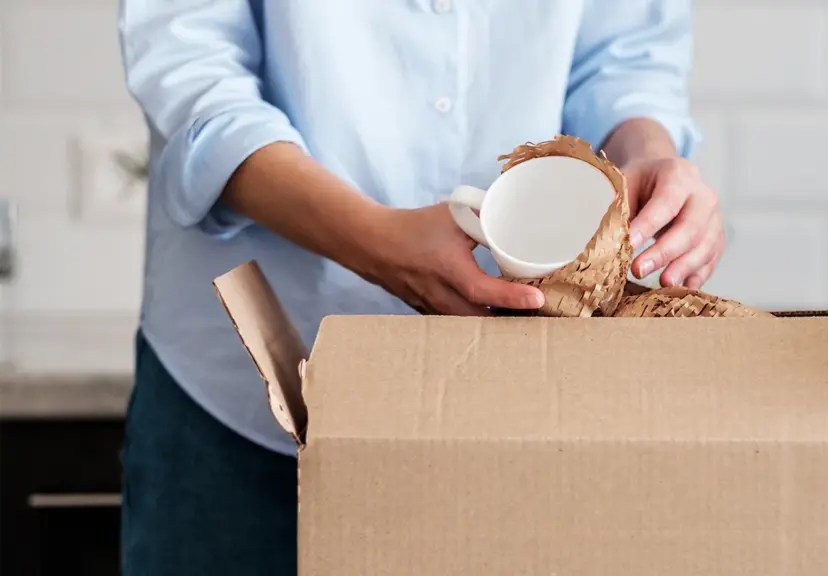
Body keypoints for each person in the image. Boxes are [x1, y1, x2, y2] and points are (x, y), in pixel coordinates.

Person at [117, 1, 723, 574]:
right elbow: (192, 64)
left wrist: (647, 157)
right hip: (244, 406)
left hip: (526, 405)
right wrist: (369, 239)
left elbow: (624, 55)